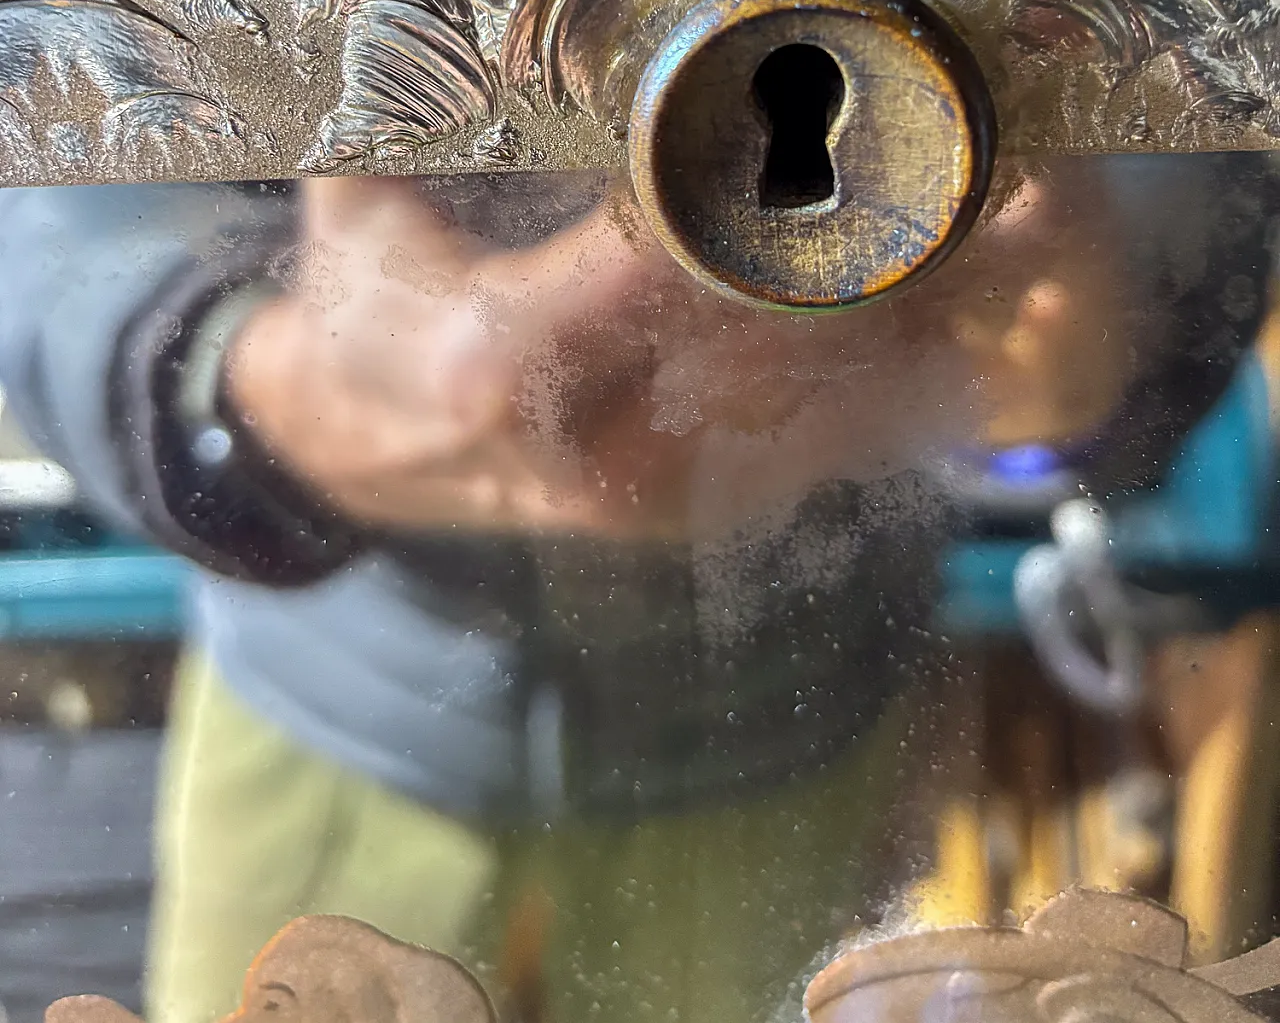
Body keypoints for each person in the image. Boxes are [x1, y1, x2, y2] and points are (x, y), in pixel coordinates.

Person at [0, 157, 1267, 1023]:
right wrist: (233, 373)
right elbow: (57, 101)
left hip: (767, 724)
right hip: (347, 706)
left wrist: (1124, 312)